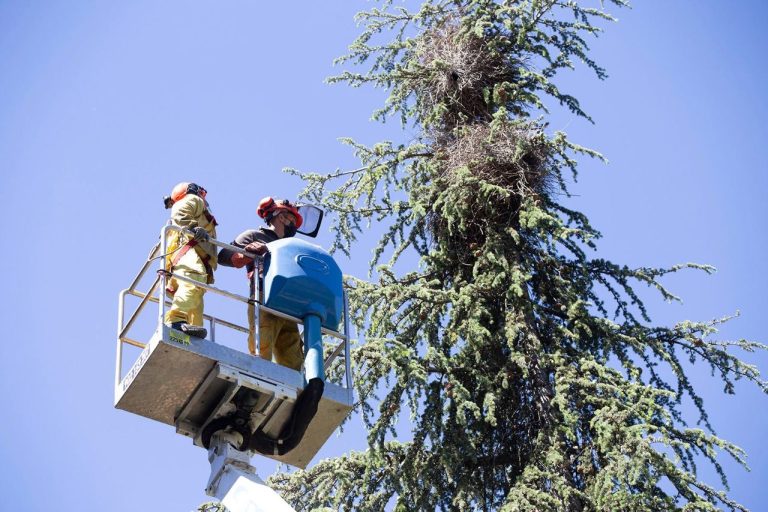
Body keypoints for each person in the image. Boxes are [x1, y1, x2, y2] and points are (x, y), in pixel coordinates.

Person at [217, 197, 303, 370]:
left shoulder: (291, 246)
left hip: (287, 303)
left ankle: (296, 383)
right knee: (262, 345)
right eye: (292, 220)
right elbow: (224, 256)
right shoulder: (254, 236)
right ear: (281, 217)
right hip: (264, 297)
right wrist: (247, 254)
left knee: (293, 356)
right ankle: (257, 376)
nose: (294, 226)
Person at [163, 182, 218, 338]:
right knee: (193, 281)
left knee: (196, 296)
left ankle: (192, 331)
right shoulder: (193, 199)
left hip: (188, 257)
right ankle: (176, 321)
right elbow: (180, 213)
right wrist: (193, 228)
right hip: (187, 254)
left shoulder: (199, 211)